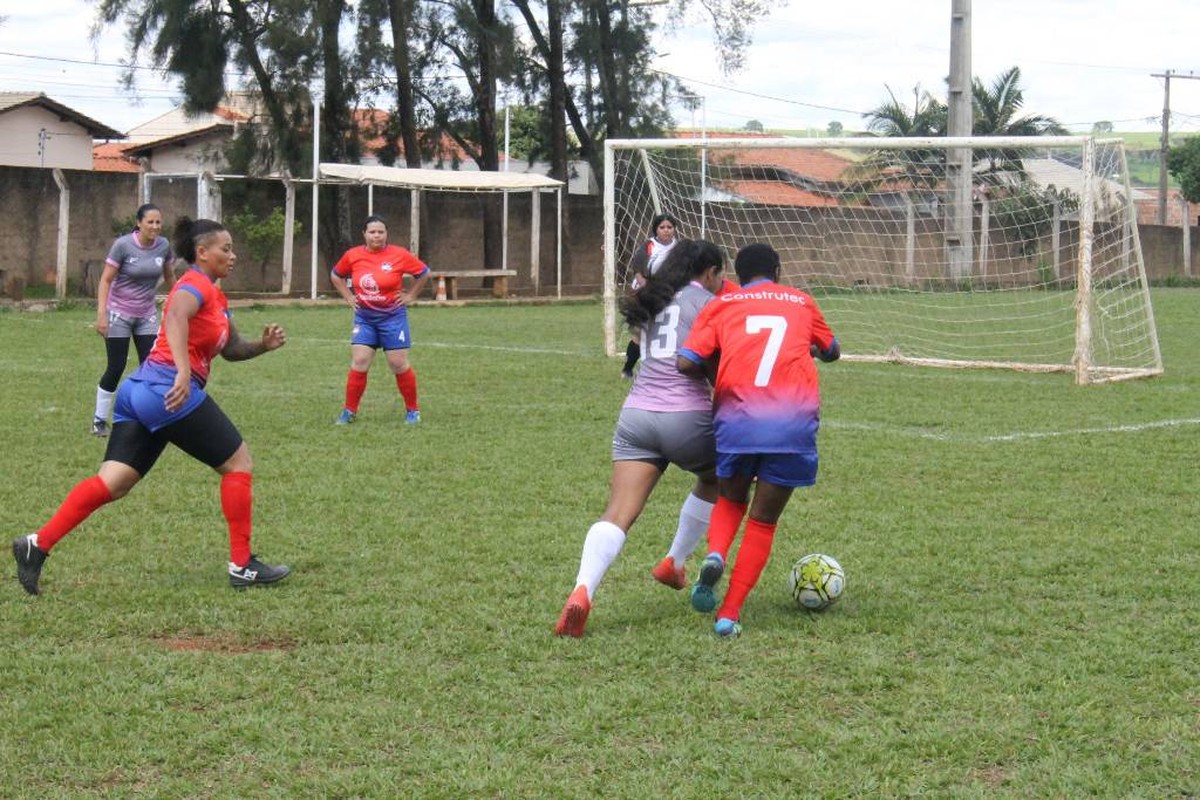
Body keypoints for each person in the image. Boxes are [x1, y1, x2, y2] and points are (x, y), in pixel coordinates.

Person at [11, 218, 291, 595]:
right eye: (225, 249)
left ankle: (36, 544)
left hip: (140, 392)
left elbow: (231, 349)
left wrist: (262, 346)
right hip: (166, 388)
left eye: (232, 249)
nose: (232, 255)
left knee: (115, 482)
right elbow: (174, 317)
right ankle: (242, 566)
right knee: (238, 463)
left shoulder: (216, 297)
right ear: (201, 252)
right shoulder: (192, 284)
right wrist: (180, 371)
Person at [555, 239, 728, 637]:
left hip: (636, 416)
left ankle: (583, 589)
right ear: (707, 273)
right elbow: (712, 365)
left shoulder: (651, 297)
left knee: (617, 513)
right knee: (719, 478)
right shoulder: (707, 303)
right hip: (687, 417)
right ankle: (675, 561)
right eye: (719, 274)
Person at [677, 243, 841, 638]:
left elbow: (686, 361)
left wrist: (724, 361)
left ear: (737, 271)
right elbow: (832, 350)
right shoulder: (801, 301)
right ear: (779, 271)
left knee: (731, 498)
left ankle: (715, 554)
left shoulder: (722, 304)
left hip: (737, 418)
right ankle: (729, 614)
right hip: (792, 422)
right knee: (763, 521)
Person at [330, 215, 431, 425]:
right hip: (365, 319)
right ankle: (349, 411)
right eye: (372, 232)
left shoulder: (399, 254)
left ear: (386, 234)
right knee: (359, 361)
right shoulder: (353, 255)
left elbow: (424, 273)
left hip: (392, 318)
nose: (377, 236)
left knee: (398, 363)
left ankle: (413, 410)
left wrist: (410, 296)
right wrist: (348, 296)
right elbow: (336, 275)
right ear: (364, 235)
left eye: (381, 232)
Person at [91, 203, 177, 437]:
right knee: (116, 366)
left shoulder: (164, 246)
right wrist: (102, 314)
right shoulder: (123, 245)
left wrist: (180, 302)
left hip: (147, 314)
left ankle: (148, 417)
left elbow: (170, 276)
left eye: (158, 222)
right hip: (119, 313)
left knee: (150, 368)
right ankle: (99, 420)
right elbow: (106, 280)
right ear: (139, 223)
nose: (155, 226)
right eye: (150, 222)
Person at [621, 213, 680, 379]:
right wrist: (646, 287)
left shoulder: (679, 248)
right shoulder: (649, 246)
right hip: (645, 292)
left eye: (670, 227)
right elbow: (638, 271)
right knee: (640, 332)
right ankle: (627, 369)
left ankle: (667, 369)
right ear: (656, 229)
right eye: (662, 227)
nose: (666, 230)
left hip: (668, 293)